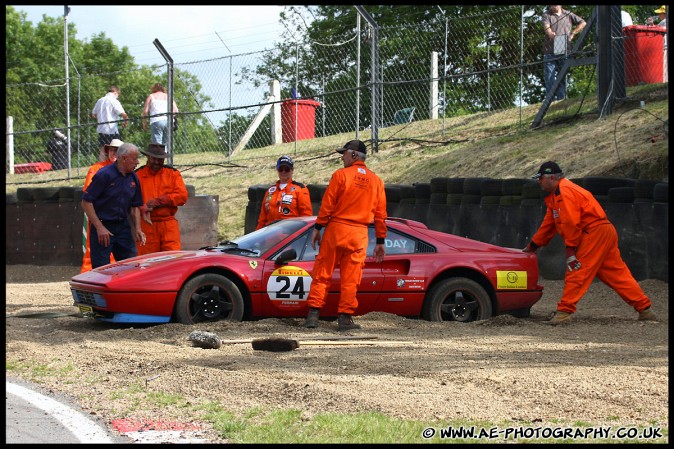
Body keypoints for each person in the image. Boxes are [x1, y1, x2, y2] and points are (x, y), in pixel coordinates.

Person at [522, 161, 657, 325]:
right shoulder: (556, 196)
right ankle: (645, 309)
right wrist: (533, 246)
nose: (539, 181)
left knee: (577, 270)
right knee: (617, 274)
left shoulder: (565, 192)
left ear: (551, 177)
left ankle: (564, 312)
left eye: (540, 178)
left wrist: (570, 250)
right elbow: (548, 225)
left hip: (593, 232)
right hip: (603, 231)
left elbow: (571, 222)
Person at [303, 140, 387, 331]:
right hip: (359, 233)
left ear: (354, 155)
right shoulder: (377, 181)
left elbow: (327, 204)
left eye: (344, 154)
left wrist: (318, 227)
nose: (342, 157)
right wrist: (380, 240)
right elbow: (381, 215)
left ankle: (313, 316)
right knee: (351, 278)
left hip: (337, 229)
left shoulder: (341, 175)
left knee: (322, 272)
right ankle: (345, 319)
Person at [81, 142, 146, 269]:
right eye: (134, 159)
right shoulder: (104, 174)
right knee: (101, 269)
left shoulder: (134, 178)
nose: (137, 162)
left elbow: (134, 206)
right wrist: (99, 227)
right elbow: (86, 202)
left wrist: (138, 228)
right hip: (103, 226)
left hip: (123, 226)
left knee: (131, 265)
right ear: (123, 158)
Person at [135, 143, 188, 255]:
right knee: (146, 262)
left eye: (160, 159)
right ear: (148, 157)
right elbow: (130, 200)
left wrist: (159, 201)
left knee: (173, 260)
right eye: (154, 158)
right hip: (146, 224)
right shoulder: (137, 175)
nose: (157, 162)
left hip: (168, 224)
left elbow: (182, 196)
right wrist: (142, 208)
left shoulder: (172, 174)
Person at [80, 138, 123, 272]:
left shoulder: (126, 171)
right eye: (112, 150)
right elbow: (88, 194)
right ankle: (89, 278)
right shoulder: (96, 169)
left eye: (117, 150)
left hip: (118, 218)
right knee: (94, 253)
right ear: (108, 151)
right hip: (99, 217)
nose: (113, 153)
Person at [256, 155, 312, 230]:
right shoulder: (270, 190)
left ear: (292, 170)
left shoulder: (300, 189)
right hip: (269, 233)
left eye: (287, 169)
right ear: (277, 170)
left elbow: (306, 217)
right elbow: (262, 218)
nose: (283, 172)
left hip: (290, 234)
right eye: (280, 169)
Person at [542, 5, 586, 101]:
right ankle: (550, 100)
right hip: (550, 48)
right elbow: (547, 27)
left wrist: (573, 33)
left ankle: (561, 99)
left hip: (564, 46)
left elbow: (583, 23)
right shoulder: (546, 14)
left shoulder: (568, 14)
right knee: (549, 76)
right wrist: (550, 33)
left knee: (562, 75)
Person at [92, 86, 128, 162]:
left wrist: (102, 116)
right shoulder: (114, 100)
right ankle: (115, 165)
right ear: (115, 93)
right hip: (111, 129)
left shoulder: (100, 100)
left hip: (101, 128)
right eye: (118, 95)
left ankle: (101, 167)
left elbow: (93, 114)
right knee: (116, 148)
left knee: (102, 149)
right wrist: (125, 121)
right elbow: (123, 114)